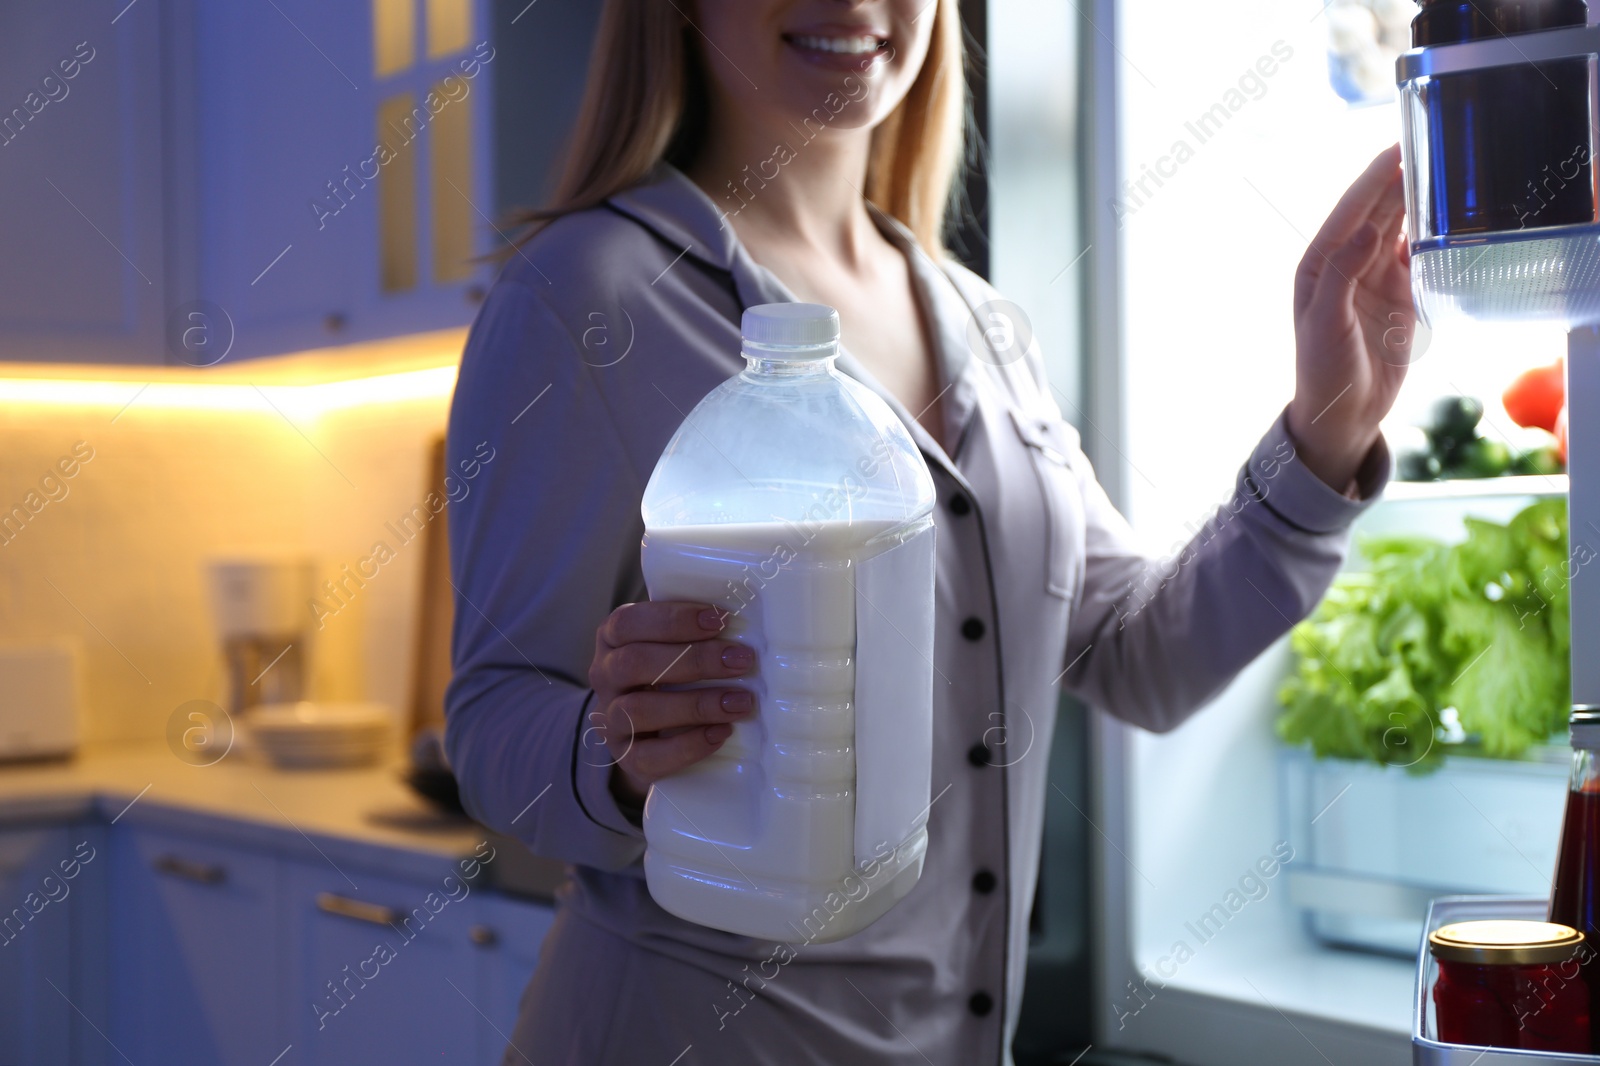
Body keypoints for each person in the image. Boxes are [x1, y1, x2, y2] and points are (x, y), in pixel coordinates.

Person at [443, 1, 1412, 1063]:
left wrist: (1327, 430)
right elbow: (492, 728)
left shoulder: (982, 325)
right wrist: (618, 752)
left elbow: (1142, 656)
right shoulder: (585, 296)